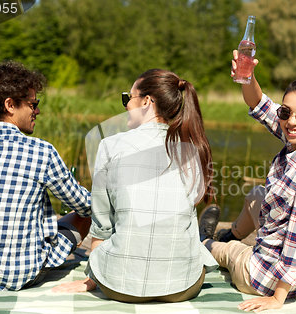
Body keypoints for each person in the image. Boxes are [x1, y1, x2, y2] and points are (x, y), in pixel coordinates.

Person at [53, 69, 218, 302]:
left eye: (128, 98)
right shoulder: (192, 149)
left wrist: (94, 277)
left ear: (147, 101)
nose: (126, 105)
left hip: (119, 288)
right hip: (182, 287)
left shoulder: (110, 145)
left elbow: (102, 224)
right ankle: (207, 239)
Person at [198, 51, 296, 312]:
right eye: (286, 112)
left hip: (268, 278)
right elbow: (260, 104)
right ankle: (232, 233)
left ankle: (208, 242)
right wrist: (247, 77)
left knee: (229, 253)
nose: (291, 121)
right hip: (280, 254)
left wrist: (277, 298)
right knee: (256, 195)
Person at [0, 60, 92, 291]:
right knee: (82, 216)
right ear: (10, 105)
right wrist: (80, 192)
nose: (37, 111)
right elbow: (87, 206)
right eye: (32, 104)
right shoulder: (42, 151)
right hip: (24, 274)